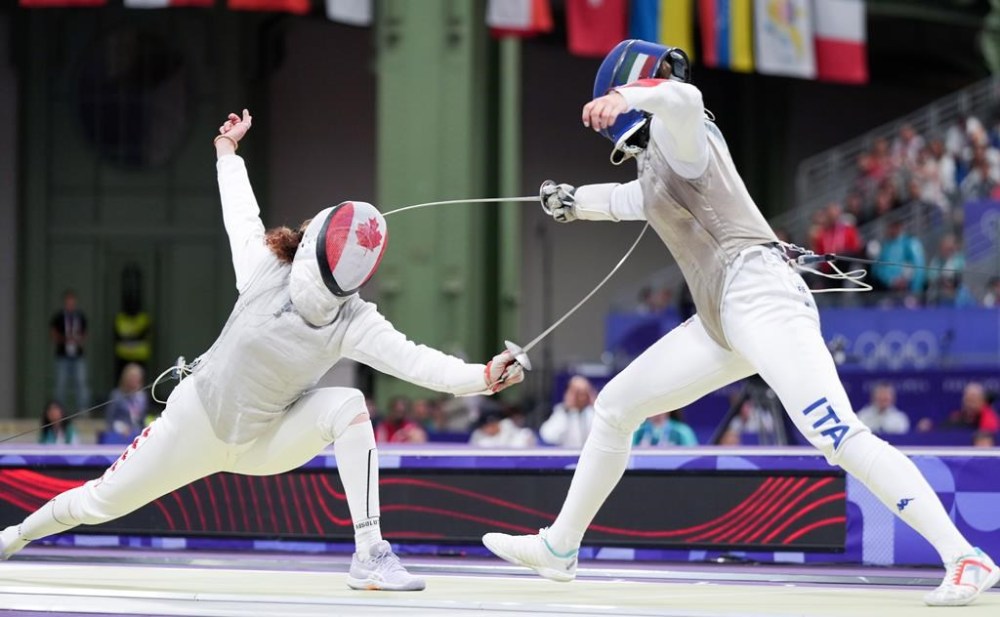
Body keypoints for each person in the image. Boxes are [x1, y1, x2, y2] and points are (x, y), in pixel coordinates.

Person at [481, 40, 997, 606]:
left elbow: (684, 98)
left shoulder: (688, 135)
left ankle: (965, 557)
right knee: (614, 407)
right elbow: (633, 199)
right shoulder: (658, 168)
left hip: (762, 298)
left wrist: (625, 96)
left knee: (837, 435)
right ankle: (560, 548)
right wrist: (574, 202)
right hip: (719, 319)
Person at [0, 110, 524, 592]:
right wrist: (228, 152)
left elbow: (418, 361)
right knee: (98, 502)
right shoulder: (264, 266)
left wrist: (484, 375)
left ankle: (370, 553)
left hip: (265, 441)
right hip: (195, 423)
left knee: (347, 406)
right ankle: (15, 536)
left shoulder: (354, 320)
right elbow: (242, 214)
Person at [50, 290, 90, 411]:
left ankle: (83, 410)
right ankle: (59, 410)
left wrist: (78, 340)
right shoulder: (58, 317)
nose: (70, 304)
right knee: (60, 384)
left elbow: (85, 333)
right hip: (63, 355)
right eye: (68, 302)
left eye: (72, 302)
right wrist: (64, 339)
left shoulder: (80, 316)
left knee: (81, 383)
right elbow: (53, 333)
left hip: (78, 355)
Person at [539, 375, 595, 448]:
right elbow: (548, 436)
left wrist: (595, 403)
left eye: (584, 392)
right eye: (578, 393)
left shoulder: (592, 413)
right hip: (567, 457)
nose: (582, 397)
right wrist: (567, 409)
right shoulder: (561, 413)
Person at [105, 363, 150, 440]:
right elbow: (110, 419)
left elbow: (143, 419)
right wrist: (120, 428)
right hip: (120, 435)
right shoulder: (116, 395)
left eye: (137, 378)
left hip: (138, 435)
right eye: (132, 377)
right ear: (126, 379)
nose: (135, 380)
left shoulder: (142, 396)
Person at [632, 410, 697, 447]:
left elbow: (691, 459)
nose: (657, 412)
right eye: (653, 407)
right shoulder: (637, 430)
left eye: (661, 408)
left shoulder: (682, 431)